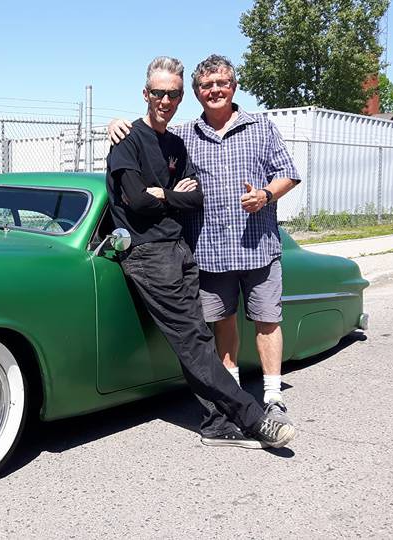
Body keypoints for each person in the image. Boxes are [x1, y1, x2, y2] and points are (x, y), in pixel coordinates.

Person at [106, 56, 295, 449]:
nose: (165, 100)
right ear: (145, 93)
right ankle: (253, 418)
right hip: (149, 254)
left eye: (173, 94)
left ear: (181, 98)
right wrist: (172, 195)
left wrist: (164, 196)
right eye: (158, 92)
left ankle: (216, 421)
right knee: (195, 340)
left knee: (201, 340)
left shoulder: (177, 141)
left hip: (184, 248)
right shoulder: (128, 140)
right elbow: (137, 202)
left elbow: (197, 199)